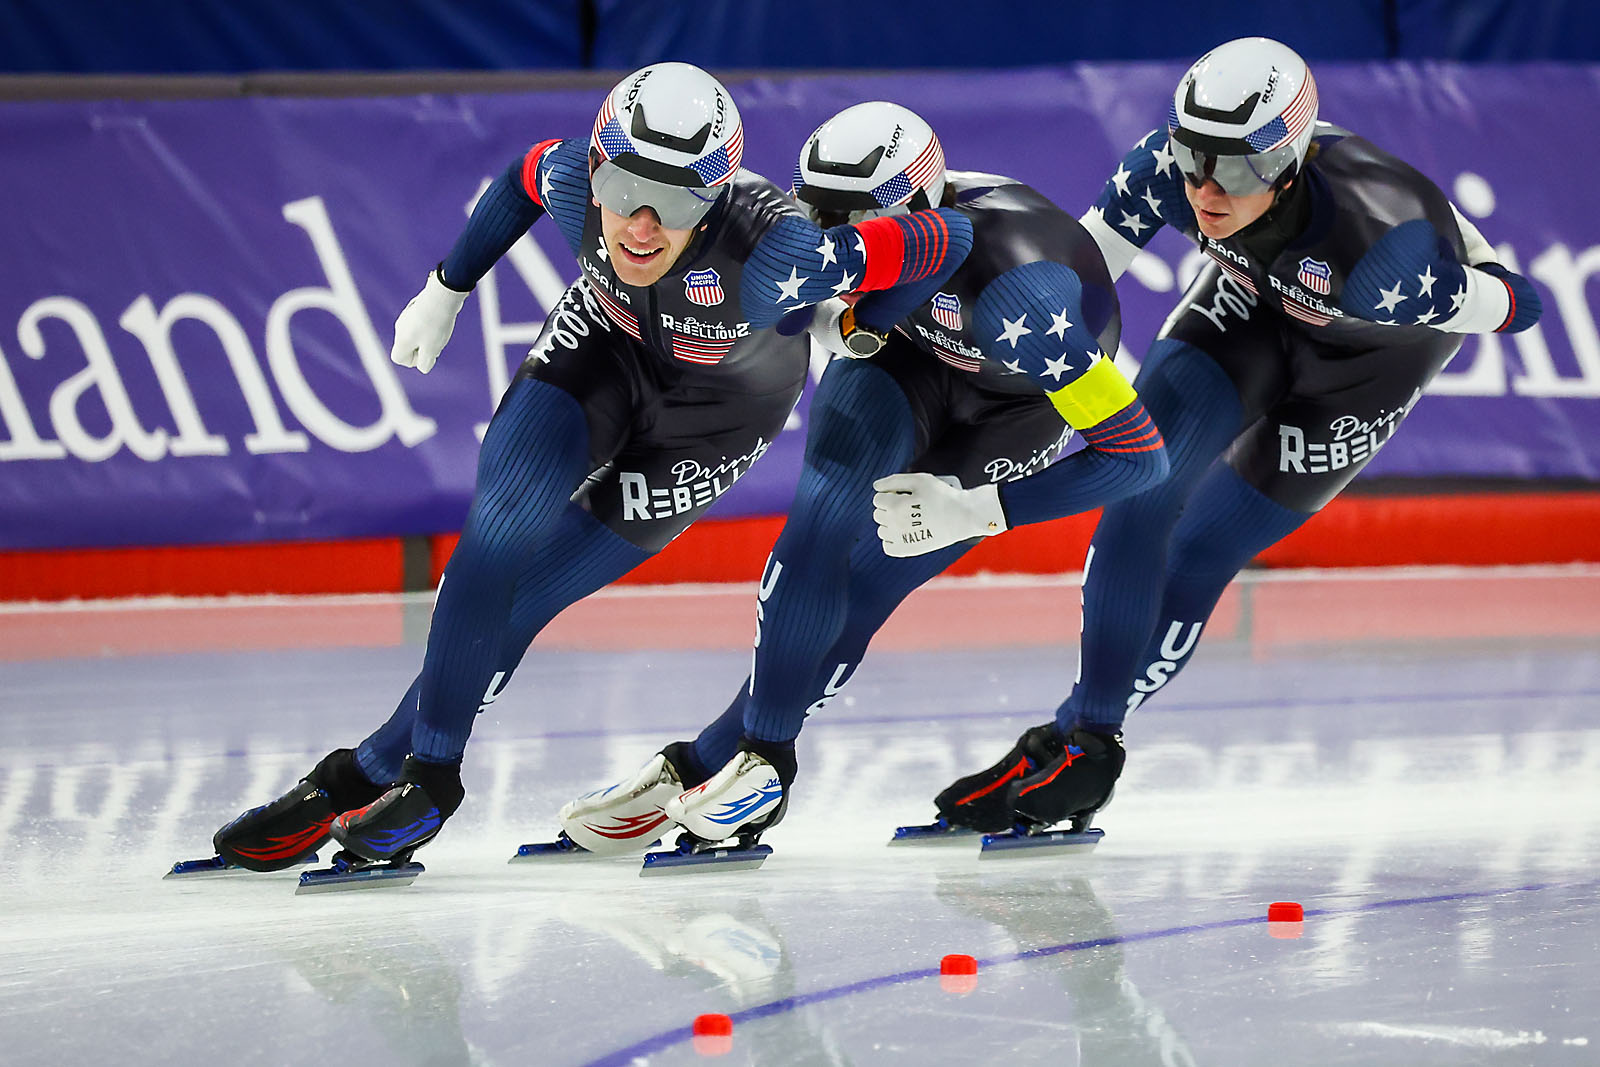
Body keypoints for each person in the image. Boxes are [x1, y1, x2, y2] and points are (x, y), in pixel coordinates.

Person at [207, 63, 975, 871]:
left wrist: (863, 318)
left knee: (530, 595)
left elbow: (947, 237)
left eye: (675, 203)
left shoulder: (783, 251)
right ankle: (427, 779)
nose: (640, 225)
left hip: (715, 422)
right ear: (601, 166)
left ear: (712, 201)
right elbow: (520, 178)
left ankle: (357, 774)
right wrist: (447, 286)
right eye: (624, 189)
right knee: (496, 535)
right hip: (602, 352)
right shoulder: (576, 175)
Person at [878, 37, 1543, 835]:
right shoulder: (1165, 169)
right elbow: (1074, 277)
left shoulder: (1383, 250)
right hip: (1249, 312)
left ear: (1289, 165)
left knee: (1200, 553)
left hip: (1366, 365)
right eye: (1193, 156)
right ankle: (1088, 741)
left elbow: (1521, 304)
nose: (1204, 188)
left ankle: (1067, 735)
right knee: (1141, 489)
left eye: (1233, 169)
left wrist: (1464, 268)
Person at [557, 102, 1169, 854]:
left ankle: (714, 758)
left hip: (1020, 403)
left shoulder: (1024, 295)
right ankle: (758, 763)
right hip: (907, 357)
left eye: (857, 219)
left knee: (874, 577)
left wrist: (984, 509)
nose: (837, 244)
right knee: (820, 518)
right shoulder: (834, 247)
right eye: (819, 216)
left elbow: (1140, 457)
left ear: (915, 211)